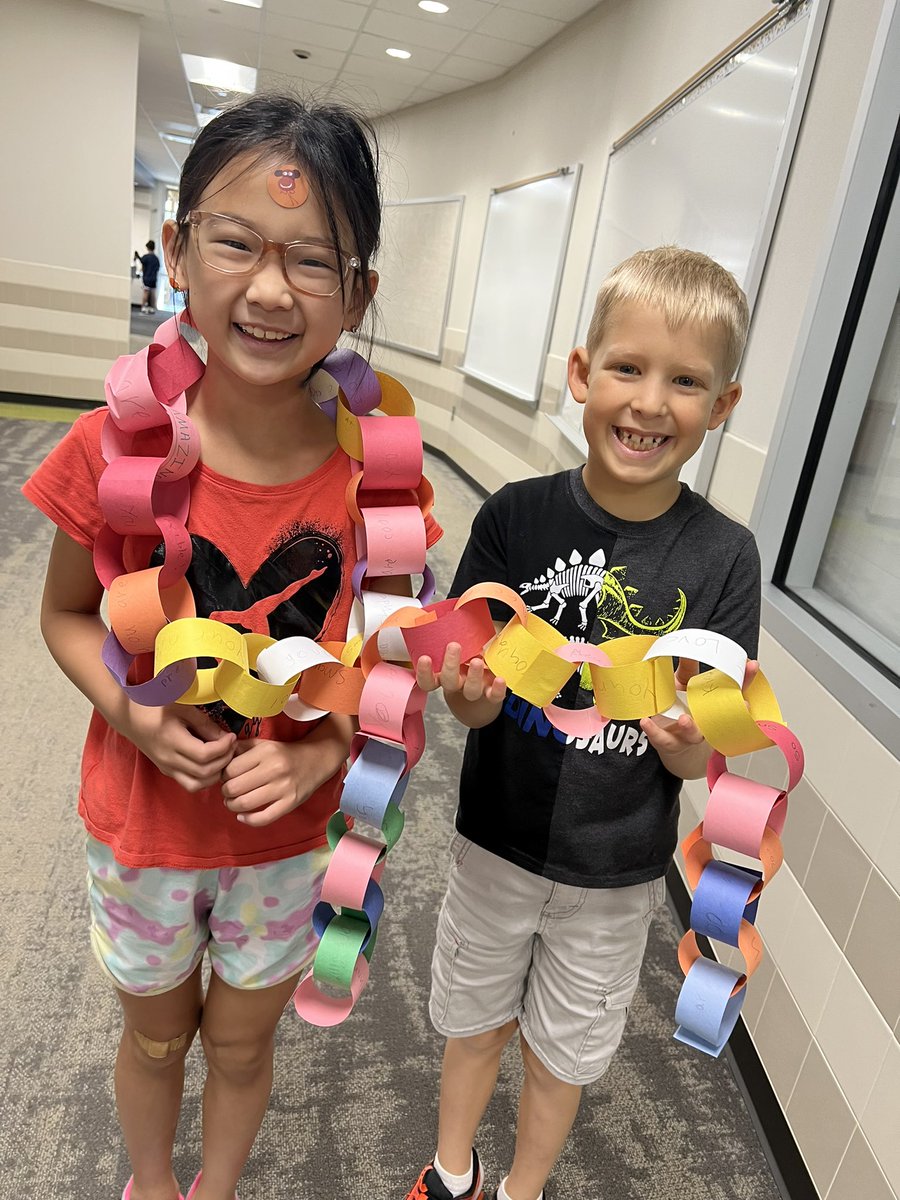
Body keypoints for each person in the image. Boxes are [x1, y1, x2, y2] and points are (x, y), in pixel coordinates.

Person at [24, 93, 439, 1200]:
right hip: (144, 832)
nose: (267, 288)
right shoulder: (117, 450)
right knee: (158, 1039)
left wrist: (319, 755)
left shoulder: (376, 480)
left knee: (246, 1047)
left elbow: (392, 669)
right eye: (236, 243)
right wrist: (131, 712)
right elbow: (66, 616)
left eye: (313, 261)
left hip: (288, 844)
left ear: (360, 294)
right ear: (177, 248)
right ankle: (153, 1182)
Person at [408, 246, 760, 1200]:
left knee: (565, 1050)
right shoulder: (516, 520)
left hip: (615, 867)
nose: (650, 403)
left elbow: (713, 726)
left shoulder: (724, 556)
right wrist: (469, 696)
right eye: (628, 368)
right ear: (580, 374)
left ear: (720, 408)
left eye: (686, 382)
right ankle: (450, 1172)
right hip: (498, 839)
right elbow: (467, 685)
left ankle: (522, 1190)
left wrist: (692, 746)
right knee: (473, 1018)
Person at [134, 239, 161, 313]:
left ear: (147, 248)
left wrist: (137, 256)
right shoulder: (156, 259)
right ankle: (152, 308)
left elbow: (141, 261)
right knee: (153, 294)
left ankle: (143, 307)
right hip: (153, 279)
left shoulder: (146, 257)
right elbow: (157, 268)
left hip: (147, 278)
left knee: (146, 292)